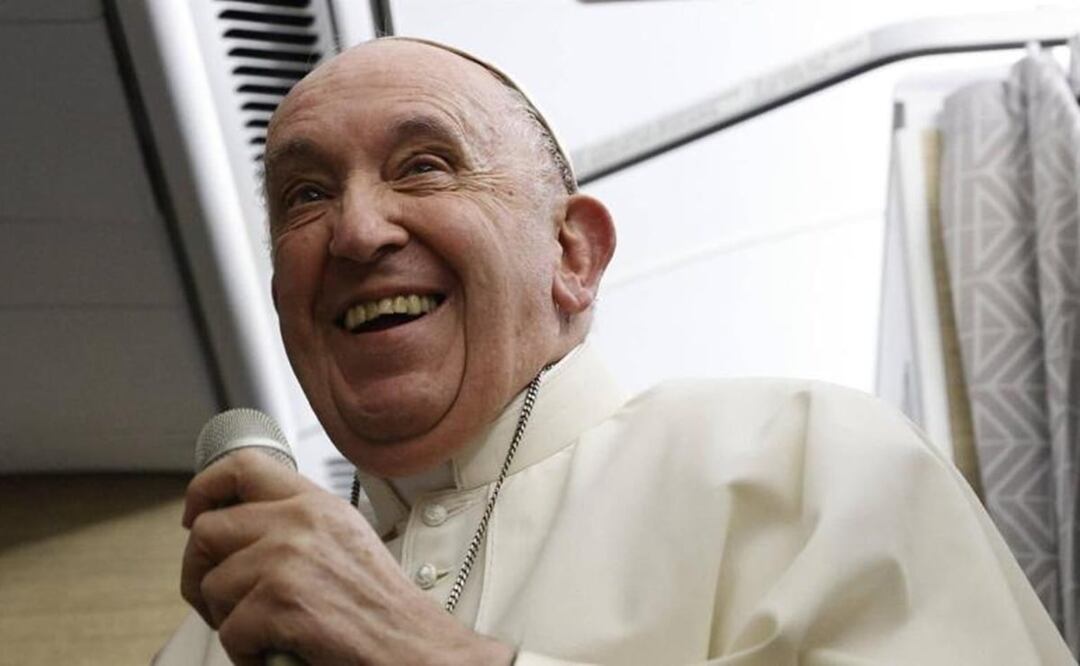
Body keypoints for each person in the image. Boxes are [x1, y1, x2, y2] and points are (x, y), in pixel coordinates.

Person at [156, 37, 1076, 666]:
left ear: (572, 254)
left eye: (423, 166)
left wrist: (423, 652)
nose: (355, 232)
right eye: (305, 196)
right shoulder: (215, 632)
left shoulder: (802, 456)